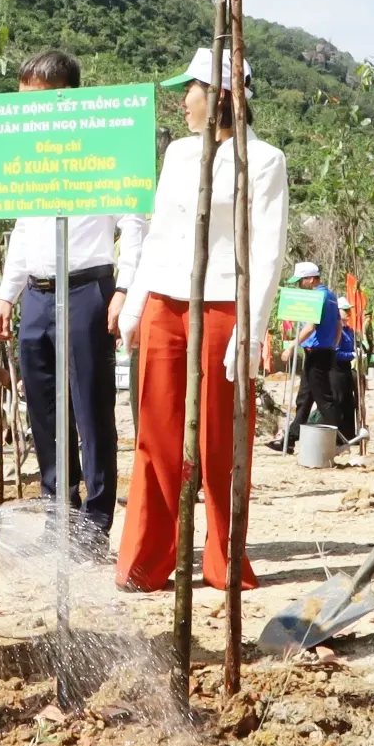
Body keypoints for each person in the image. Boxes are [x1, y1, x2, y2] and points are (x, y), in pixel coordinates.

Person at [116, 48, 287, 591]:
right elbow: (159, 235)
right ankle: (145, 562)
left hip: (222, 309)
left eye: (189, 90)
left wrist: (251, 328)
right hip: (166, 304)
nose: (183, 102)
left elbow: (267, 252)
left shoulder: (264, 161)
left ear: (219, 96)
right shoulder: (178, 155)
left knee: (221, 443)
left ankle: (223, 561)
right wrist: (137, 302)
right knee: (156, 435)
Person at [0, 49, 147, 536]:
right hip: (37, 296)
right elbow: (23, 230)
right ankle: (58, 514)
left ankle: (95, 523)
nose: (25, 111)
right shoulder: (30, 157)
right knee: (42, 407)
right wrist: (7, 294)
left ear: (64, 96)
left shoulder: (104, 149)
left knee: (91, 407)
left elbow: (134, 223)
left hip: (88, 290)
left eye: (34, 100)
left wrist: (124, 289)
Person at [272, 262, 341, 453]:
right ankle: (289, 440)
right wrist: (333, 345)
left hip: (317, 352)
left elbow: (310, 327)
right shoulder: (332, 297)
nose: (299, 285)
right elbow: (338, 325)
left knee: (323, 398)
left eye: (301, 281)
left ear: (310, 279)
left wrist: (291, 347)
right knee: (304, 398)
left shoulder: (317, 297)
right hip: (323, 351)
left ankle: (337, 440)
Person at [331, 296, 361, 446]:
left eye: (349, 310)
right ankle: (338, 437)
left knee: (349, 402)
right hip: (335, 370)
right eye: (345, 310)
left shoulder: (349, 331)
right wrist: (352, 354)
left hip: (347, 369)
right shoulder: (336, 330)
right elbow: (335, 352)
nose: (348, 313)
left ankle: (350, 435)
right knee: (338, 401)